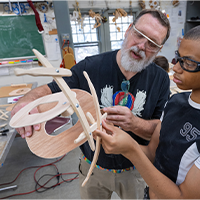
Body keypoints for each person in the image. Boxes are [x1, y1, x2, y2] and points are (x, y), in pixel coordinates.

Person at [11, 9, 171, 199]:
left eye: (152, 43)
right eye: (139, 35)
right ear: (129, 29)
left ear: (159, 50)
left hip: (136, 170)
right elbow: (52, 89)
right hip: (93, 167)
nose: (141, 46)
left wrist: (134, 123)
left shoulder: (160, 79)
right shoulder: (90, 66)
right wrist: (27, 101)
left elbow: (160, 130)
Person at [94, 21, 200, 199]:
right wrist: (115, 138)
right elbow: (152, 154)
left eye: (189, 63)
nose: (176, 68)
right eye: (179, 58)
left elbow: (182, 197)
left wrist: (130, 149)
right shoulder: (175, 101)